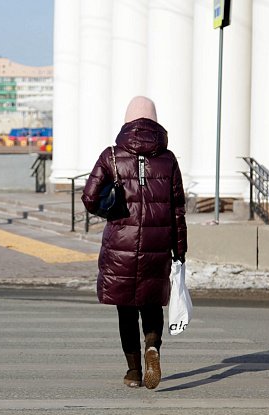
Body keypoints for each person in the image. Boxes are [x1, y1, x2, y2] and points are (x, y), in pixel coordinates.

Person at [82, 96, 187, 390]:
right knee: (151, 305)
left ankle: (133, 372)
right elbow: (178, 208)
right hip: (159, 244)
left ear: (127, 121)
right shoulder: (168, 159)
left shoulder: (112, 156)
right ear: (155, 122)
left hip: (120, 245)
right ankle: (152, 345)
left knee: (125, 309)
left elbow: (89, 198)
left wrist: (111, 209)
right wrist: (180, 249)